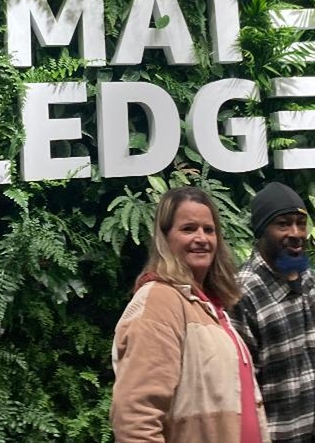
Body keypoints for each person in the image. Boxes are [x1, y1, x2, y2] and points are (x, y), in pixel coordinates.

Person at [111, 185, 269, 442]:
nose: (201, 238)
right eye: (188, 229)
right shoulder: (160, 301)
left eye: (209, 229)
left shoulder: (209, 305)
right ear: (165, 238)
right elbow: (135, 418)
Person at [230, 181, 315, 442]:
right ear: (262, 230)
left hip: (314, 432)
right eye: (283, 224)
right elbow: (239, 384)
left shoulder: (308, 278)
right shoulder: (243, 293)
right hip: (273, 435)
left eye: (301, 223)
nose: (296, 233)